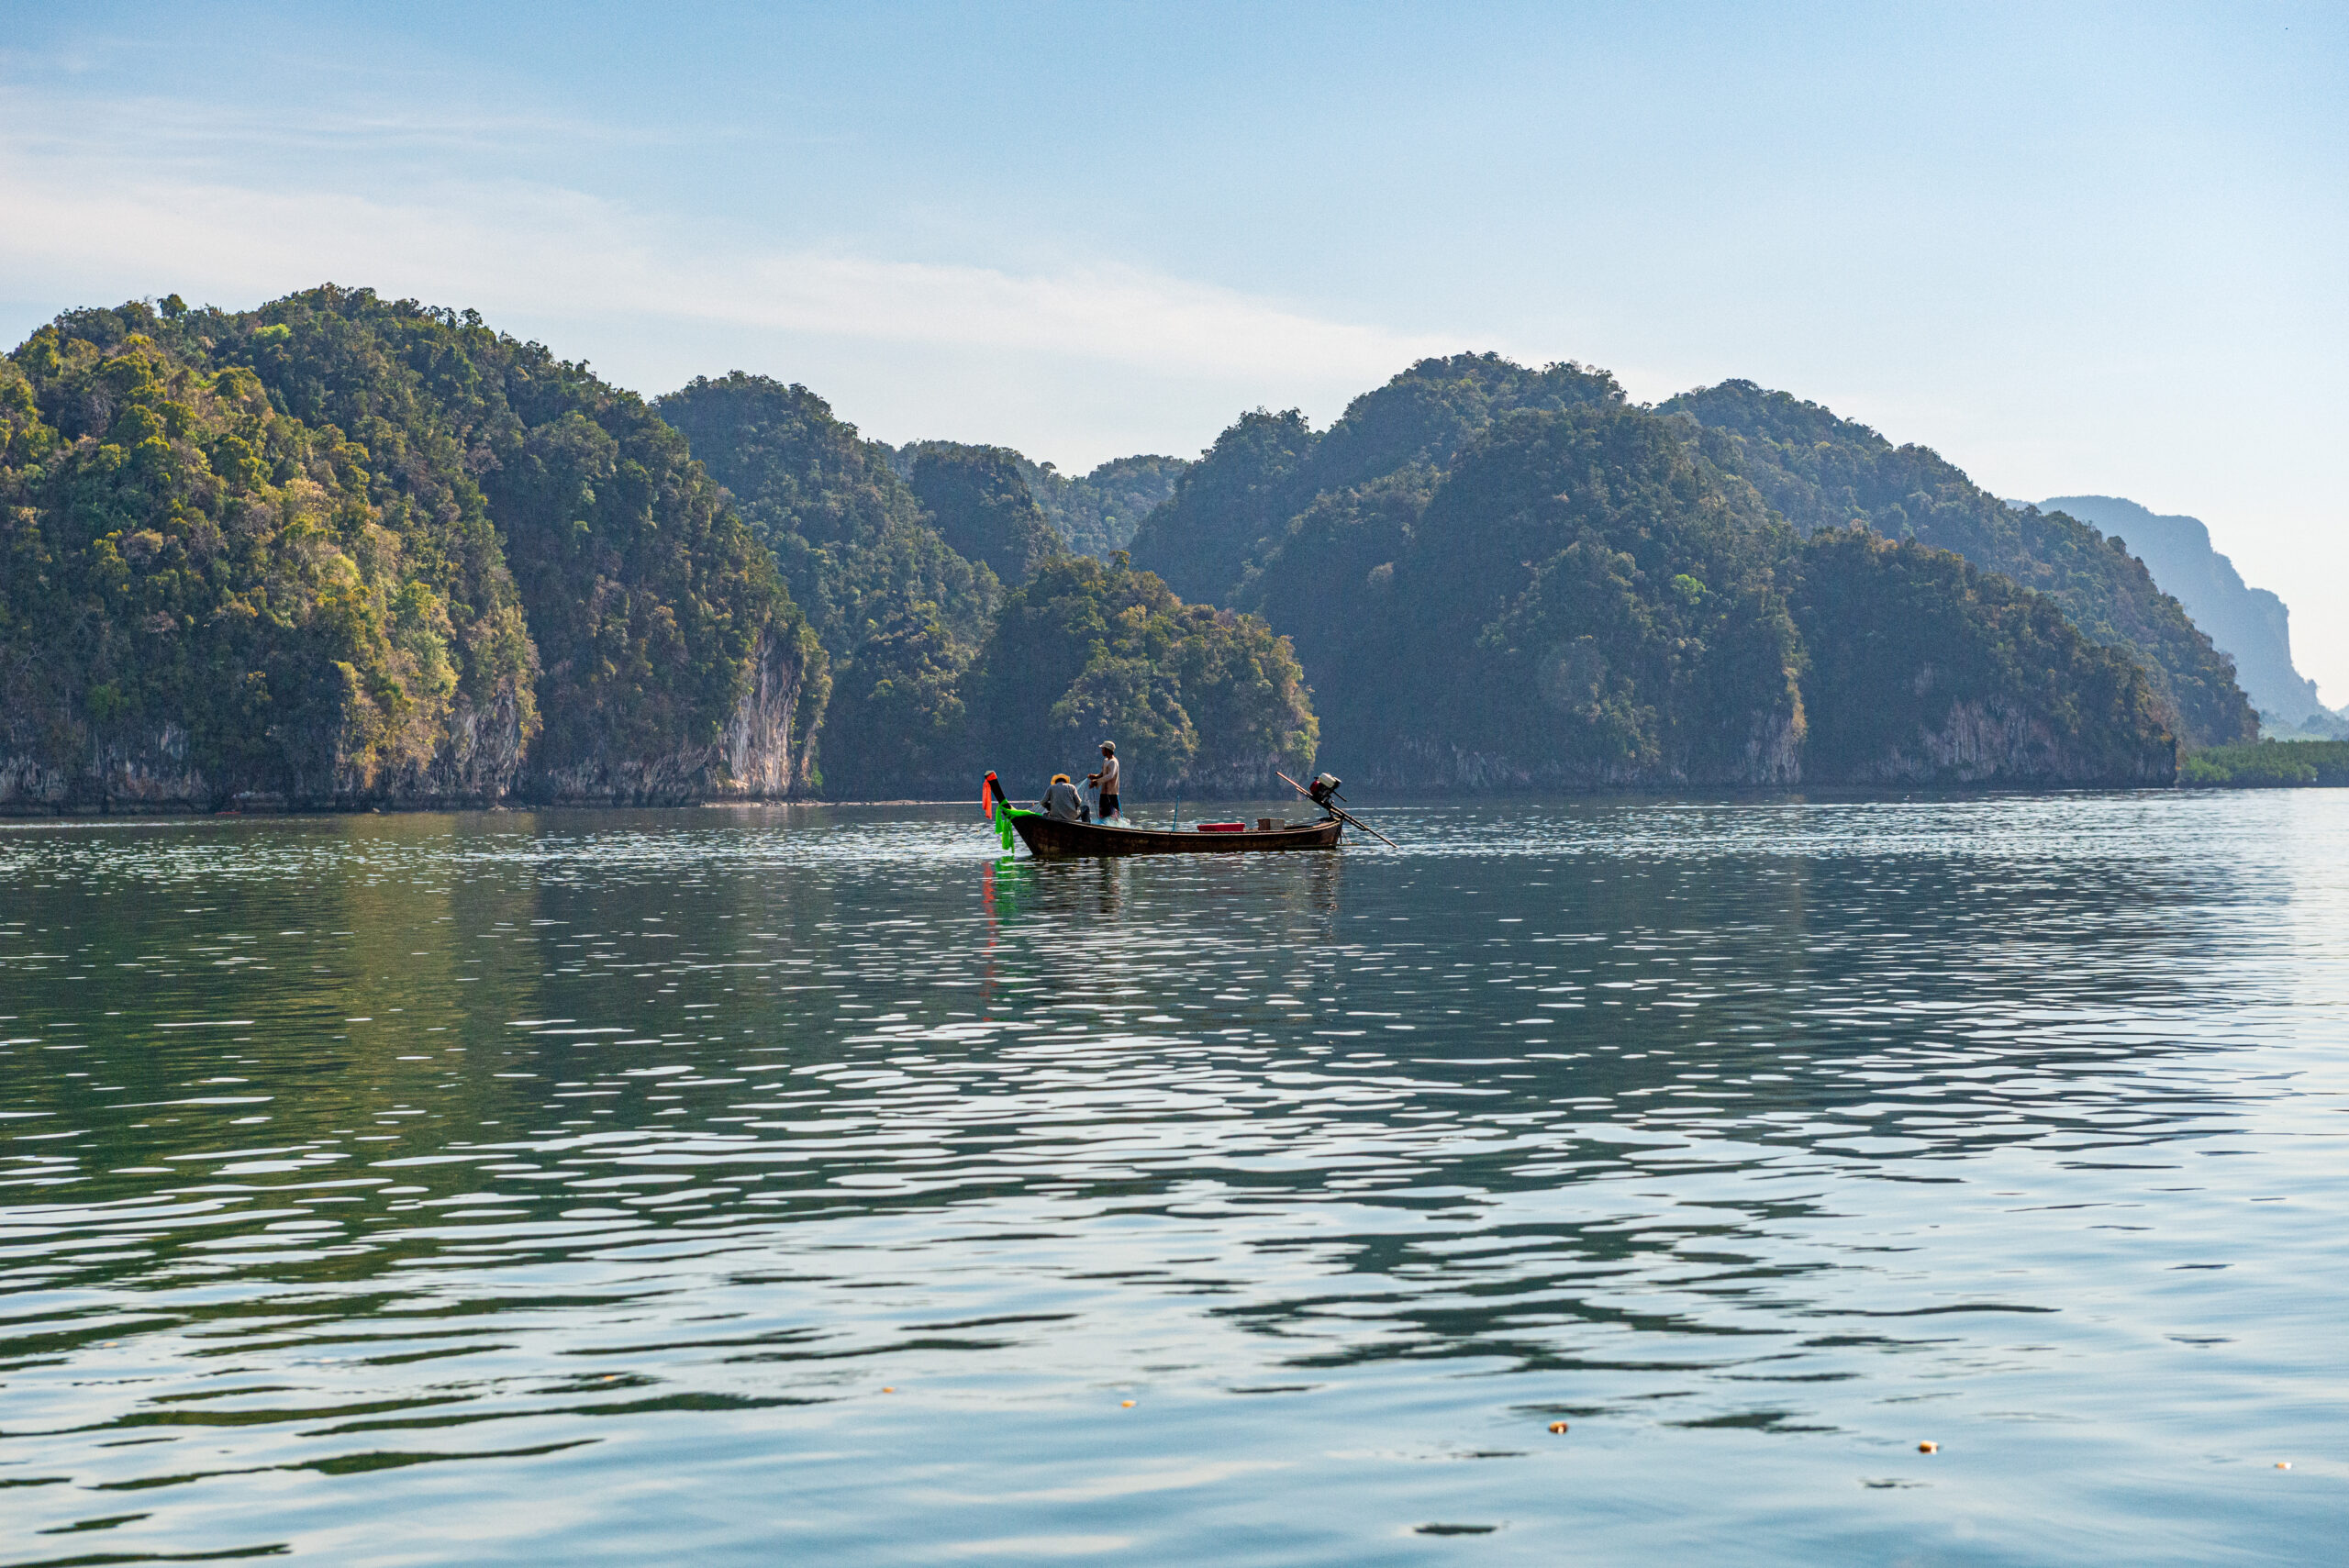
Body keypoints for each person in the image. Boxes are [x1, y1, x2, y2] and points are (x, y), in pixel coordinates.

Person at [1087, 741, 1121, 822]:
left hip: (1112, 794)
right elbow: (1103, 773)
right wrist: (1095, 776)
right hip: (1104, 794)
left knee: (1114, 817)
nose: (1101, 751)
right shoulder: (1106, 760)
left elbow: (1110, 775)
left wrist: (1096, 782)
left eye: (1103, 749)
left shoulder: (1114, 762)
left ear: (1107, 750)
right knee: (1103, 816)